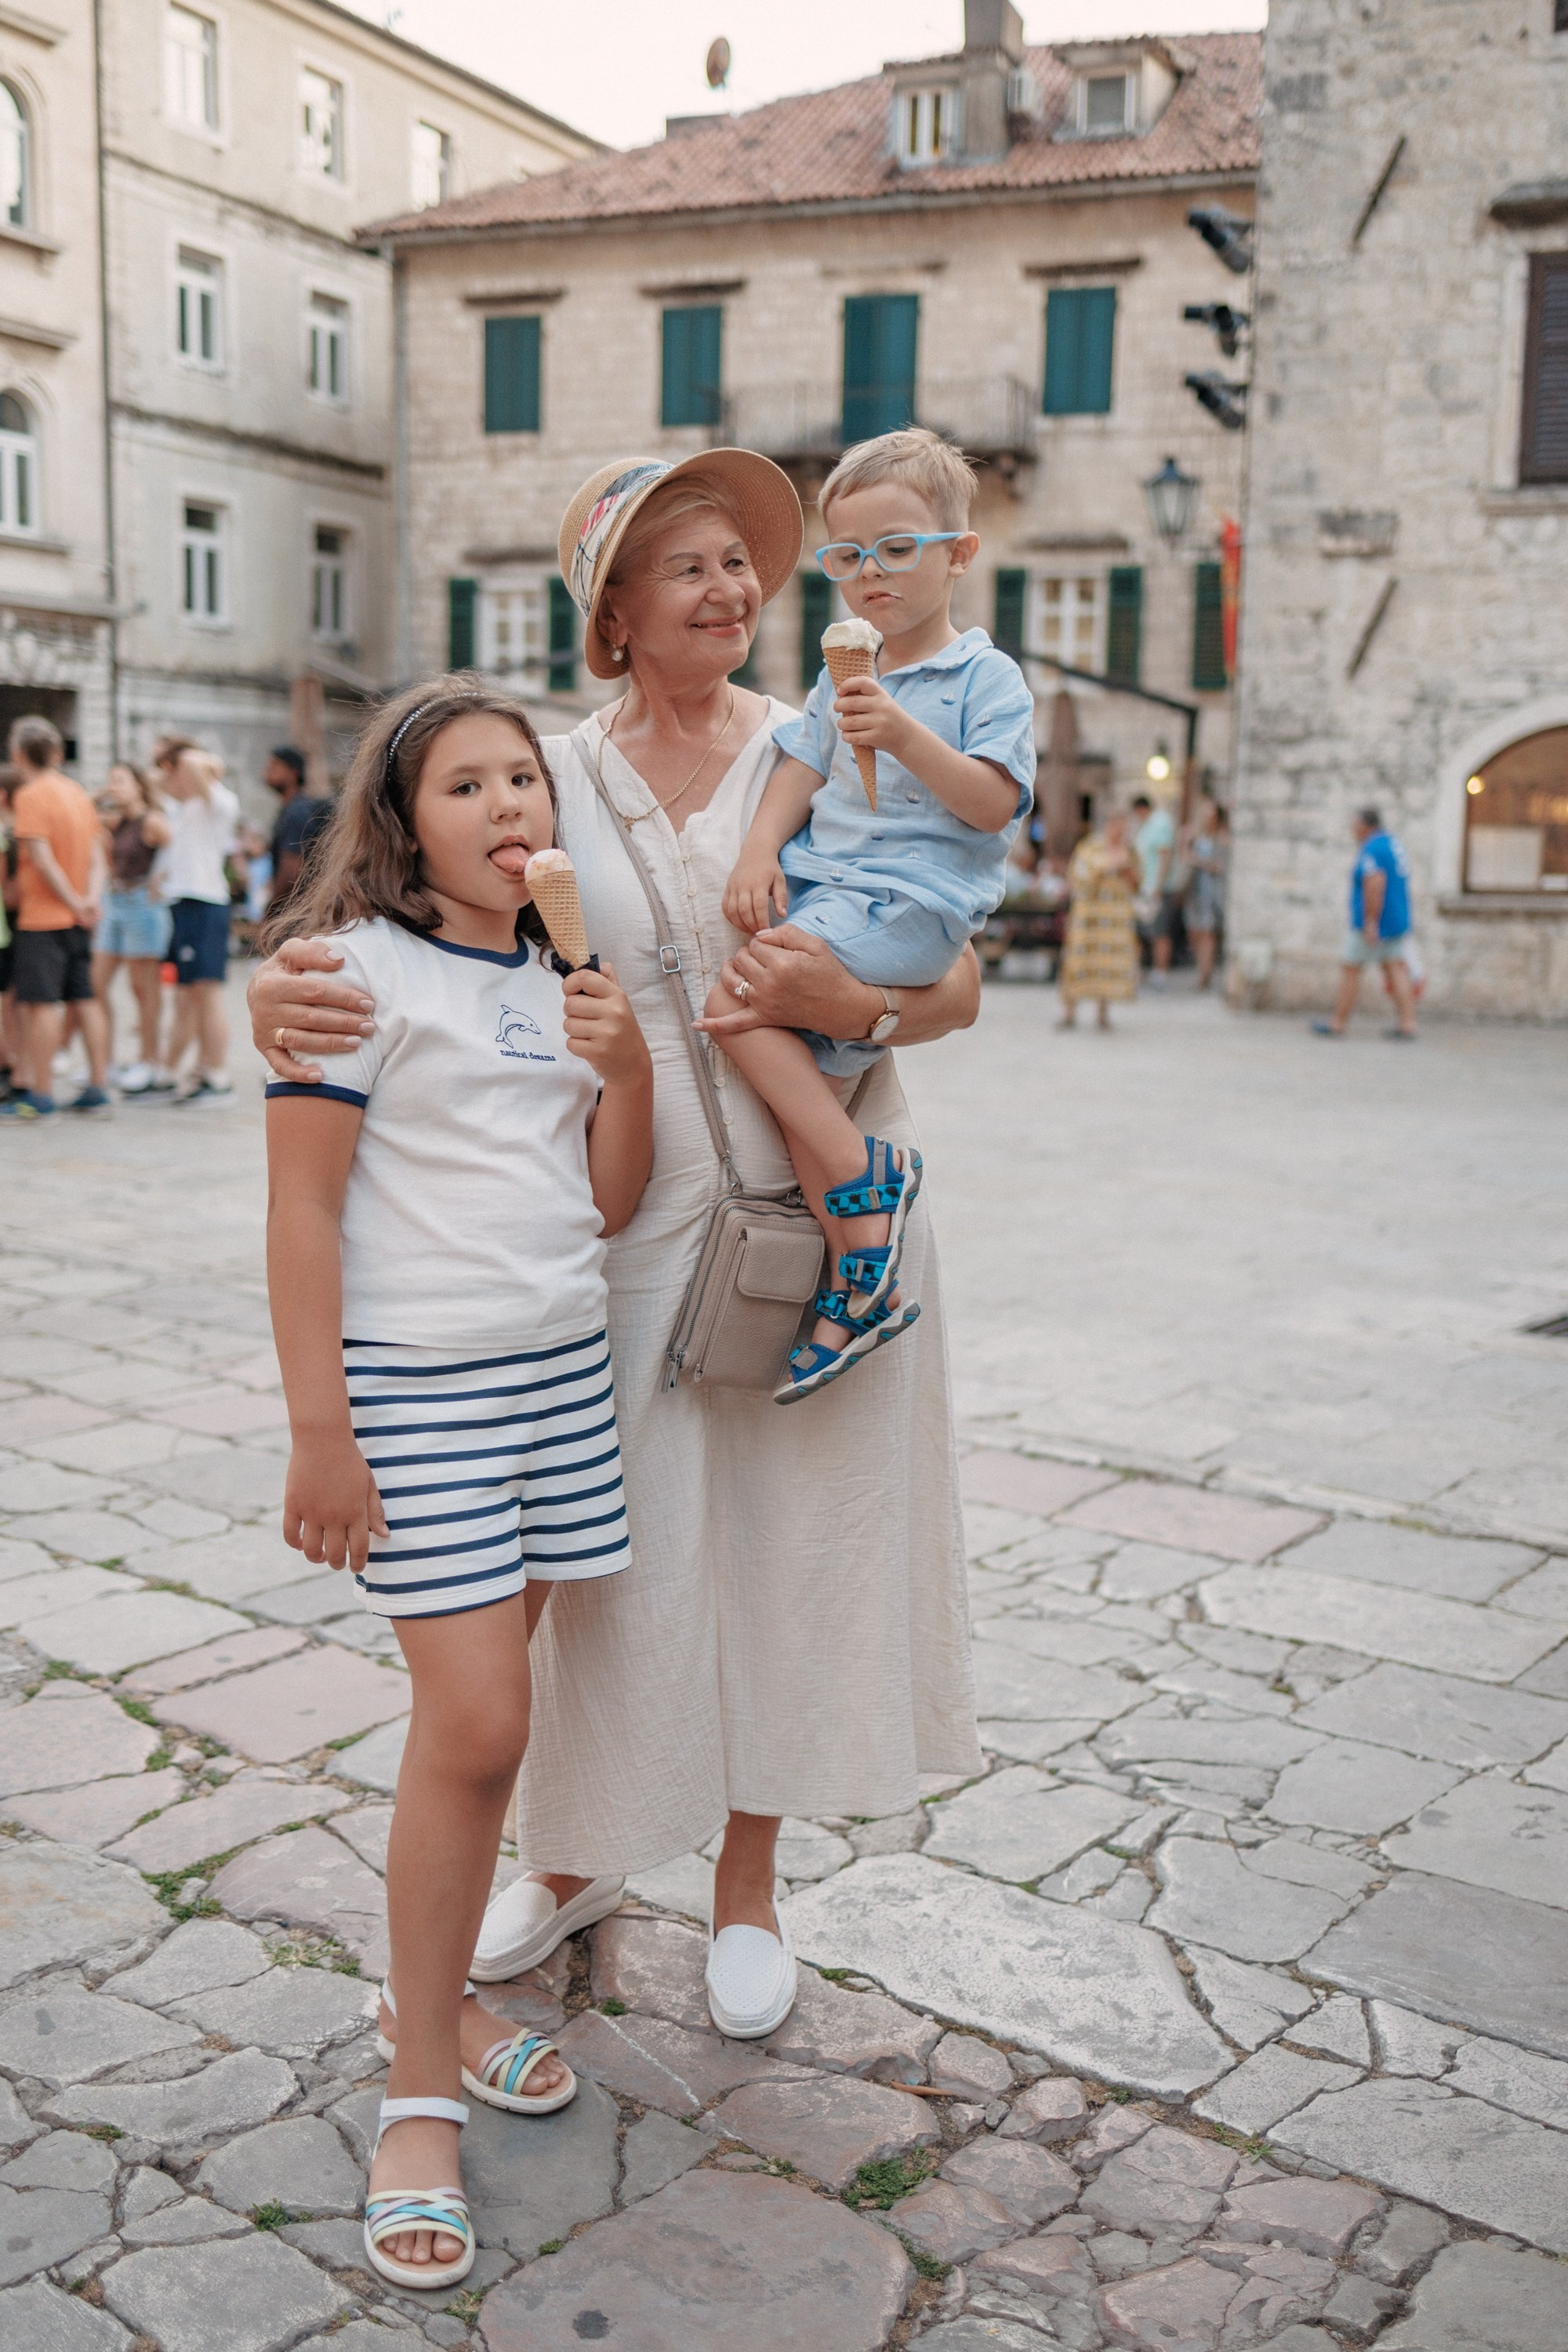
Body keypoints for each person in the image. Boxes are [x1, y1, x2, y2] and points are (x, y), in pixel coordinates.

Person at [248, 448, 982, 2085]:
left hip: (829, 1208)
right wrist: (270, 994)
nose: (729, 589)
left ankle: (747, 1886)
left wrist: (857, 1003)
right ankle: (574, 1857)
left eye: (740, 562)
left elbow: (958, 981)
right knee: (607, 1569)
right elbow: (418, 920)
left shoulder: (835, 739)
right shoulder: (556, 779)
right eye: (686, 565)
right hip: (634, 1221)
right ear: (615, 610)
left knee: (796, 1537)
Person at [263, 680, 653, 2288]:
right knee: (480, 1723)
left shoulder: (566, 976)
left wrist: (625, 1066)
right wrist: (321, 1430)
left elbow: (607, 1203)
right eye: (468, 786)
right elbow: (302, 1210)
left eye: (525, 781)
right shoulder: (351, 975)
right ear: (402, 822)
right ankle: (419, 2093)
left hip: (561, 1380)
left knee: (486, 1737)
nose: (509, 809)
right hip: (418, 1389)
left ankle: (430, 1998)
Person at [701, 428, 1034, 1401]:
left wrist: (903, 733)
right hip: (831, 891)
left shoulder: (985, 678)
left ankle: (869, 1174)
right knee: (802, 1094)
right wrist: (758, 851)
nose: (868, 575)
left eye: (894, 548)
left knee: (735, 1002)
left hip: (912, 900)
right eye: (845, 557)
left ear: (958, 554)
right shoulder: (841, 670)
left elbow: (993, 805)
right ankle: (859, 1289)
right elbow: (800, 768)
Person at [0, 717, 111, 1119]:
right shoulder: (78, 793)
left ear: (18, 754)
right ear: (56, 753)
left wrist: (73, 901)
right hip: (79, 918)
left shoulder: (30, 795)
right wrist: (89, 901)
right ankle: (98, 1085)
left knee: (40, 1004)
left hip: (43, 918)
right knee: (85, 998)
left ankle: (41, 1094)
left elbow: (43, 859)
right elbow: (98, 856)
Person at [160, 746, 239, 1100]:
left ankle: (218, 1074)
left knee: (208, 993)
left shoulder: (220, 801)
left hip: (206, 904)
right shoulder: (187, 807)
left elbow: (194, 763)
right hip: (186, 904)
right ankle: (202, 1066)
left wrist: (204, 763)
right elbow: (158, 781)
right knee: (191, 994)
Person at [92, 762, 172, 1093]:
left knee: (143, 989)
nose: (115, 786)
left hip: (141, 905)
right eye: (112, 780)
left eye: (121, 781)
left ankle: (150, 1061)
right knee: (95, 984)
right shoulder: (117, 821)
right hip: (114, 903)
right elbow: (84, 810)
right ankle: (105, 1062)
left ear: (139, 785)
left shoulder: (151, 820)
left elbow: (177, 848)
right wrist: (104, 793)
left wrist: (161, 880)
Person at [1312, 805, 1417, 1040]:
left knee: (1351, 967)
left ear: (1365, 826)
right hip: (1395, 919)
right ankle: (1408, 1023)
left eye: (1355, 825)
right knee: (1394, 967)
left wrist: (1371, 922)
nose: (1352, 831)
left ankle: (1338, 1023)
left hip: (1375, 922)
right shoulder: (1391, 843)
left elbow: (1375, 883)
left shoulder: (1372, 848)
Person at [1057, 808, 1140, 1030]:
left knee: (1106, 966)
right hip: (1089, 916)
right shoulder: (1089, 848)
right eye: (1116, 827)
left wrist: (1128, 871)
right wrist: (1108, 865)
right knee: (1077, 964)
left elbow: (1137, 883)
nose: (1119, 833)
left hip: (1115, 918)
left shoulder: (1129, 851)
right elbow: (1077, 877)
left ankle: (1103, 1013)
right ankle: (1069, 1012)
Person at [263, 744, 332, 916]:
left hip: (296, 912)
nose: (268, 771)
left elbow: (291, 870)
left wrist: (271, 912)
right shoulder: (290, 810)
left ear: (293, 773)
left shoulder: (297, 812)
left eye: (275, 766)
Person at [1132, 790, 1180, 985]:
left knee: (1160, 931)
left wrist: (1159, 885)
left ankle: (1160, 973)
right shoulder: (1146, 826)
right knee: (1142, 931)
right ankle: (1142, 970)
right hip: (1144, 887)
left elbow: (1164, 855)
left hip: (1156, 887)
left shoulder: (1160, 822)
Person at [1183, 796, 1229, 992]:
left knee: (1208, 933)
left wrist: (1198, 861)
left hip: (1212, 891)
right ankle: (1201, 969)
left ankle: (1205, 974)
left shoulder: (1222, 838)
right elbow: (1184, 856)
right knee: (1195, 932)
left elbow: (1219, 866)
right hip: (1195, 890)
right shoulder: (1195, 836)